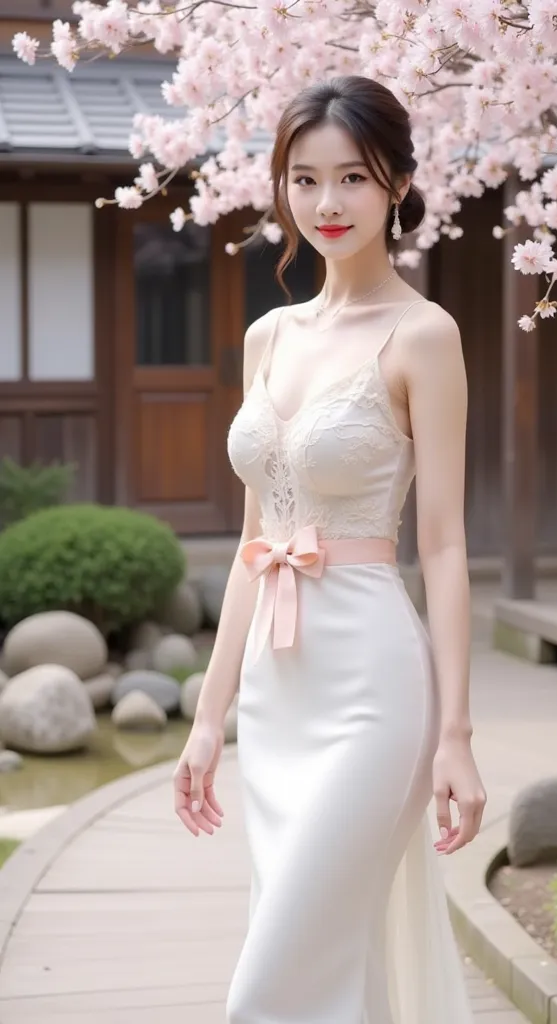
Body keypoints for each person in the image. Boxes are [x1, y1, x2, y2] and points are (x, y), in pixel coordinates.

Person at [172, 73, 486, 1024]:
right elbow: (250, 544)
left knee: (273, 980)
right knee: (321, 958)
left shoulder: (424, 336)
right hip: (276, 691)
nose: (327, 204)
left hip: (371, 691)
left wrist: (458, 737)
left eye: (352, 178)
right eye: (303, 180)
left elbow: (442, 548)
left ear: (395, 182)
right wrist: (207, 716)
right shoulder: (267, 338)